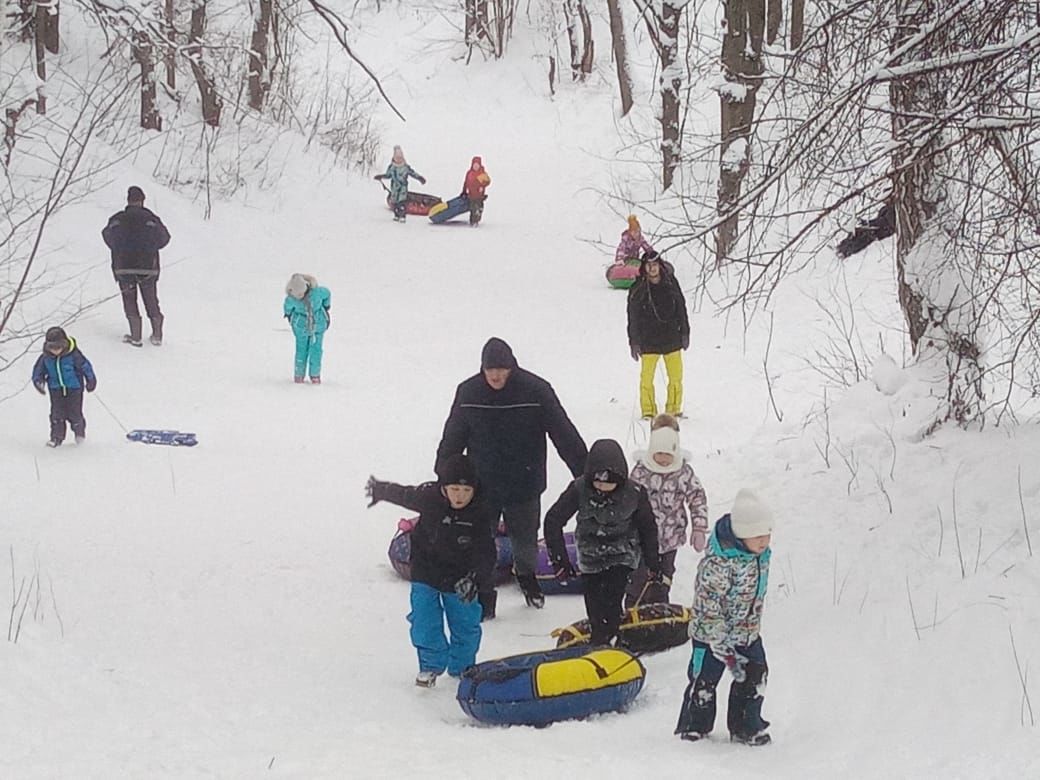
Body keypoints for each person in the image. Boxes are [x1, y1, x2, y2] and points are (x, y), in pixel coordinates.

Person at [436, 337, 587, 612]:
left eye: (501, 369)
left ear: (511, 367)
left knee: (525, 538)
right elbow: (453, 437)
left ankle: (528, 579)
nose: (495, 375)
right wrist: (443, 476)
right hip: (481, 485)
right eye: (490, 369)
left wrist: (584, 471)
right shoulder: (468, 393)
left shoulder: (536, 390)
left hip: (524, 481)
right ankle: (484, 593)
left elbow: (562, 432)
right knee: (481, 541)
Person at [365, 454, 496, 688]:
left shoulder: (481, 511)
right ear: (444, 488)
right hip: (426, 572)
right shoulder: (428, 497)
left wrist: (475, 578)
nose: (460, 496)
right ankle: (430, 665)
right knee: (424, 622)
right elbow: (404, 494)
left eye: (466, 491)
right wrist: (381, 490)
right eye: (455, 489)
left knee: (466, 624)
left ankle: (463, 667)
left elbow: (486, 551)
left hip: (461, 578)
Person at [675, 489, 774, 746]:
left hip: (746, 632)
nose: (764, 541)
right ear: (741, 534)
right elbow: (708, 601)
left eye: (767, 533)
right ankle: (694, 725)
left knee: (755, 675)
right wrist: (716, 635)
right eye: (757, 535)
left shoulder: (759, 554)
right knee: (704, 681)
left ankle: (745, 726)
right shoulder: (719, 563)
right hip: (712, 637)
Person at [543, 439, 660, 647]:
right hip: (590, 555)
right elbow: (553, 520)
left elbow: (648, 527)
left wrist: (653, 561)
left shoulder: (634, 494)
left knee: (612, 597)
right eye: (598, 482)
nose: (603, 487)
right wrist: (560, 560)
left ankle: (609, 638)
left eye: (609, 483)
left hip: (622, 555)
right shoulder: (579, 489)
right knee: (594, 601)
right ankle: (600, 634)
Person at [625, 416, 708, 608]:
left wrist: (699, 527)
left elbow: (697, 498)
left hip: (671, 539)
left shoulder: (683, 472)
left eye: (667, 454)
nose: (663, 460)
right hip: (642, 540)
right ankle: (632, 609)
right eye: (658, 454)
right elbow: (628, 499)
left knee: (664, 577)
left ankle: (660, 609)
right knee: (638, 577)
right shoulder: (641, 471)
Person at [102, 185, 172, 347]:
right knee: (151, 299)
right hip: (147, 267)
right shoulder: (151, 219)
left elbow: (107, 237)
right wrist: (149, 247)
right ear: (142, 200)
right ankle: (157, 335)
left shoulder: (117, 219)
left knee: (129, 300)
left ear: (128, 200)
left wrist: (120, 248)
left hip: (123, 267)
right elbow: (165, 238)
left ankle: (135, 336)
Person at [627, 250, 690, 419]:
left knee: (676, 377)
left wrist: (685, 332)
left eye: (655, 265)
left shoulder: (671, 283)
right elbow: (632, 317)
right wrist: (634, 341)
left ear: (660, 266)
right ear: (644, 268)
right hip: (648, 340)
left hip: (672, 338)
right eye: (649, 265)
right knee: (646, 380)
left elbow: (681, 308)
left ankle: (674, 409)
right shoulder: (638, 289)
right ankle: (648, 411)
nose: (652, 269)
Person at [31, 326, 97, 447]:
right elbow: (38, 371)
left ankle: (79, 435)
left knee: (75, 413)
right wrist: (38, 382)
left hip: (74, 388)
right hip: (55, 389)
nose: (55, 351)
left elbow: (86, 367)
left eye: (58, 347)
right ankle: (56, 437)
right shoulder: (46, 358)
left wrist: (91, 380)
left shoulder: (74, 355)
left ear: (65, 344)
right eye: (52, 348)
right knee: (57, 414)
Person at [283, 273, 331, 384]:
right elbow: (287, 308)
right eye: (297, 295)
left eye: (301, 294)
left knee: (314, 350)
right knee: (304, 350)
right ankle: (301, 375)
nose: (300, 297)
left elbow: (327, 294)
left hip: (313, 325)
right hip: (306, 327)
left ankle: (312, 375)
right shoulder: (292, 299)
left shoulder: (317, 292)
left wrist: (326, 306)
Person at [374, 145, 426, 222]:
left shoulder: (405, 167)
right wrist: (381, 176)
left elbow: (412, 173)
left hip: (403, 188)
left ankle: (402, 216)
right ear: (394, 158)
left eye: (400, 158)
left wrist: (419, 178)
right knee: (394, 202)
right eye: (397, 158)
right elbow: (388, 175)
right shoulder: (392, 167)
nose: (399, 160)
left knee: (402, 202)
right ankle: (396, 215)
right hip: (394, 187)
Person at [460, 156, 491, 226]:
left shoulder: (482, 173)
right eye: (474, 165)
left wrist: (482, 186)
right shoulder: (469, 173)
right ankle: (473, 221)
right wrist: (464, 191)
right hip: (471, 195)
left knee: (479, 207)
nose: (476, 167)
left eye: (477, 165)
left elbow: (488, 181)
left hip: (479, 195)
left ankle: (477, 218)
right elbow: (466, 183)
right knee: (473, 208)